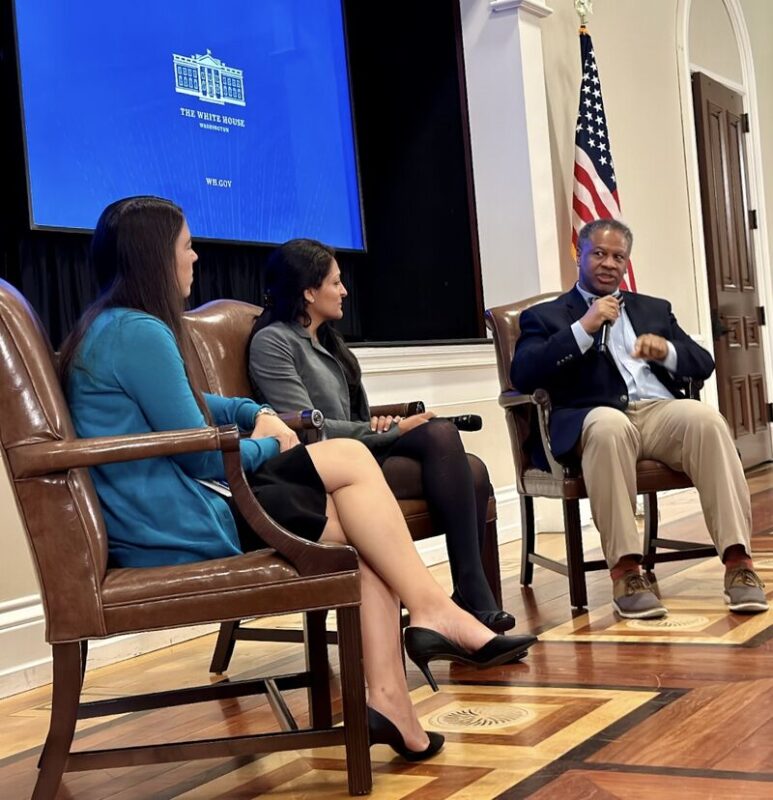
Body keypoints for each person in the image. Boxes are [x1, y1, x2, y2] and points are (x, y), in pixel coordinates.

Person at [60, 197, 537, 761]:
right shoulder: (138, 332)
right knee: (351, 464)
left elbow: (196, 404)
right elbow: (202, 459)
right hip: (178, 522)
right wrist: (272, 441)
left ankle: (394, 697)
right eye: (186, 246)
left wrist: (251, 412)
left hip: (179, 507)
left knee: (364, 536)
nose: (195, 256)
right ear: (154, 255)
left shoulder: (114, 328)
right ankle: (433, 615)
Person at [247, 238, 514, 634]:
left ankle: (469, 597)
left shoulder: (329, 340)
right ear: (308, 292)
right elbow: (307, 427)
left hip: (355, 454)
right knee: (457, 456)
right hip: (315, 469)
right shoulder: (272, 342)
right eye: (335, 283)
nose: (344, 291)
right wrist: (391, 431)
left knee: (460, 455)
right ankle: (471, 598)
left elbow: (353, 418)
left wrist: (384, 427)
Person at [511, 218, 768, 619]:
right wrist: (583, 328)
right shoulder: (545, 316)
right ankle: (627, 572)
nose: (609, 263)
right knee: (609, 427)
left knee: (706, 420)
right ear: (580, 255)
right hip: (594, 417)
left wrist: (666, 351)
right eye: (599, 253)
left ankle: (738, 564)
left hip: (657, 412)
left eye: (618, 257)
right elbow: (523, 374)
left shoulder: (653, 308)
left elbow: (703, 363)